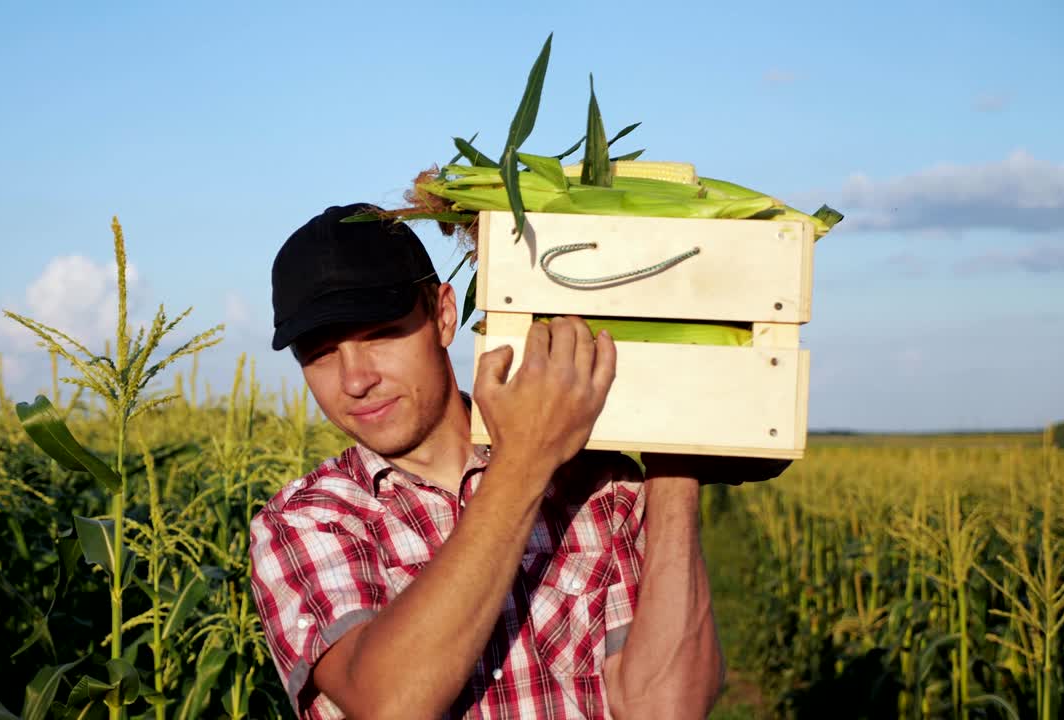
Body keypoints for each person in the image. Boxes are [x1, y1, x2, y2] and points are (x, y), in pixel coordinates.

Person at [249, 203, 734, 719]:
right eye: (320, 353)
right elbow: (389, 704)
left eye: (379, 335)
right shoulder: (305, 522)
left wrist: (676, 470)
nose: (354, 381)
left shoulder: (602, 489)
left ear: (443, 315)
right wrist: (526, 459)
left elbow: (666, 709)